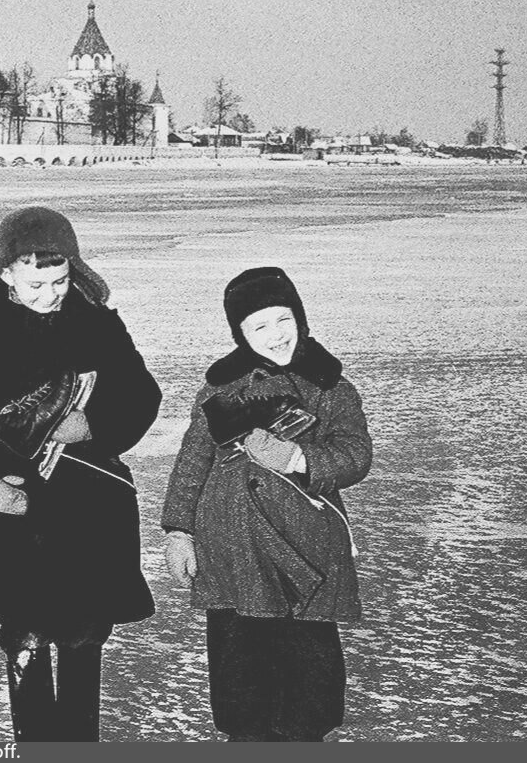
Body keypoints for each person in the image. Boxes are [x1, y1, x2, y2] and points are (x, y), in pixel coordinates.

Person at [0, 206, 162, 742]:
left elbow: (142, 394)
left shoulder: (98, 322)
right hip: (18, 512)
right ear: (6, 274)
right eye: (36, 284)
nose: (49, 294)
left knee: (83, 636)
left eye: (59, 281)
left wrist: (94, 425)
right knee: (25, 637)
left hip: (89, 511)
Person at [161, 266, 372, 742]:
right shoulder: (219, 391)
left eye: (284, 320)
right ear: (240, 334)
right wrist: (179, 531)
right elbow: (192, 462)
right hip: (230, 550)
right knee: (239, 670)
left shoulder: (331, 389)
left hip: (305, 548)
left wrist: (298, 457)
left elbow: (356, 454)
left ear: (300, 318)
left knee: (308, 671)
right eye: (259, 326)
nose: (275, 335)